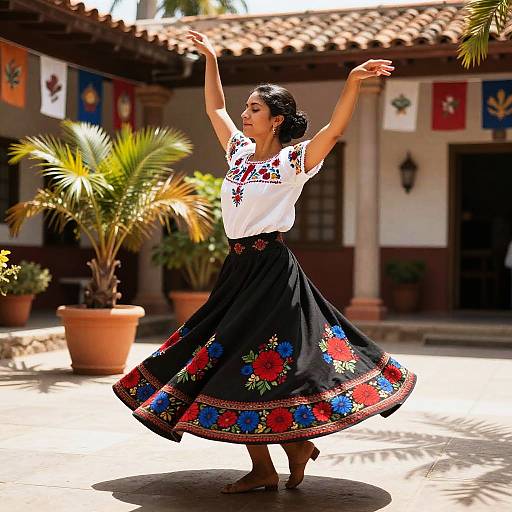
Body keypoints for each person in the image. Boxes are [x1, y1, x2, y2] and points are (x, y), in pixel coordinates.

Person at [112, 29, 417, 494]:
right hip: (237, 268)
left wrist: (353, 82)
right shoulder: (237, 152)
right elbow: (214, 107)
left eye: (254, 108)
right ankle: (282, 456)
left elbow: (333, 131)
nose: (243, 112)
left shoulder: (293, 162)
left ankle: (275, 460)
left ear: (276, 119)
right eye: (247, 106)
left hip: (271, 270)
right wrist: (211, 58)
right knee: (230, 360)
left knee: (250, 363)